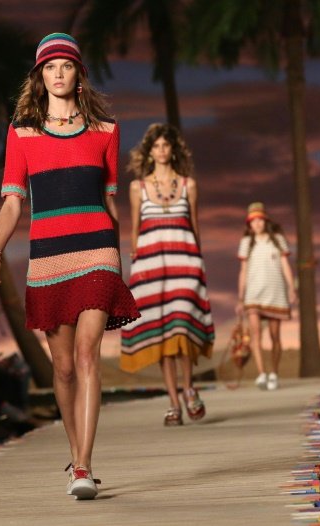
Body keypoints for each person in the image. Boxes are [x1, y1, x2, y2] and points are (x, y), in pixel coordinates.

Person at [0, 32, 139, 500]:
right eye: (49, 68)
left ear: (78, 74)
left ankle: (86, 464)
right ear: (39, 76)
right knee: (65, 366)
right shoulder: (22, 133)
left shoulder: (106, 131)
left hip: (96, 253)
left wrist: (123, 256)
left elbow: (110, 203)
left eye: (65, 66)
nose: (57, 74)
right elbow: (13, 202)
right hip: (48, 257)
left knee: (89, 354)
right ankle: (75, 458)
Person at [119, 123, 215, 426]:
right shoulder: (139, 187)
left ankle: (188, 389)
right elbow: (135, 232)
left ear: (173, 150)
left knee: (182, 327)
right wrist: (136, 270)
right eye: (156, 146)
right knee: (162, 333)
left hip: (185, 263)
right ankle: (173, 401)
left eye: (166, 145)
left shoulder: (189, 185)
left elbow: (194, 226)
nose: (161, 150)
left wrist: (199, 264)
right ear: (149, 152)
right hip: (150, 267)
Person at [235, 202, 297, 391]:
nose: (257, 224)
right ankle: (261, 373)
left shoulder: (277, 239)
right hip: (254, 294)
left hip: (275, 292)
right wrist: (240, 297)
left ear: (265, 221)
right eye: (253, 221)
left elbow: (285, 265)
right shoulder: (246, 243)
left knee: (275, 335)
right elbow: (243, 271)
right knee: (255, 333)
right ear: (249, 224)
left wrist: (291, 287)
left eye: (260, 220)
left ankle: (274, 373)